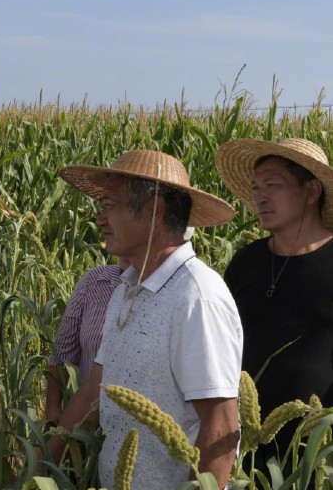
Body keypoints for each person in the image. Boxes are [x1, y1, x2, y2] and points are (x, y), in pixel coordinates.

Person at [48, 149, 242, 488]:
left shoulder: (197, 296)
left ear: (154, 211)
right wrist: (43, 463)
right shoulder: (126, 287)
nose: (99, 219)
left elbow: (221, 429)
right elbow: (96, 386)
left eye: (109, 206)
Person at [216, 137, 333, 470]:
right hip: (242, 447)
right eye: (255, 187)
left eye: (273, 185)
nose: (259, 197)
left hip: (314, 453)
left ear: (311, 192)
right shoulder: (245, 262)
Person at [43, 257, 130, 425]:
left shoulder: (172, 290)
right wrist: (53, 407)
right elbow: (62, 350)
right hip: (84, 422)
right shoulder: (95, 280)